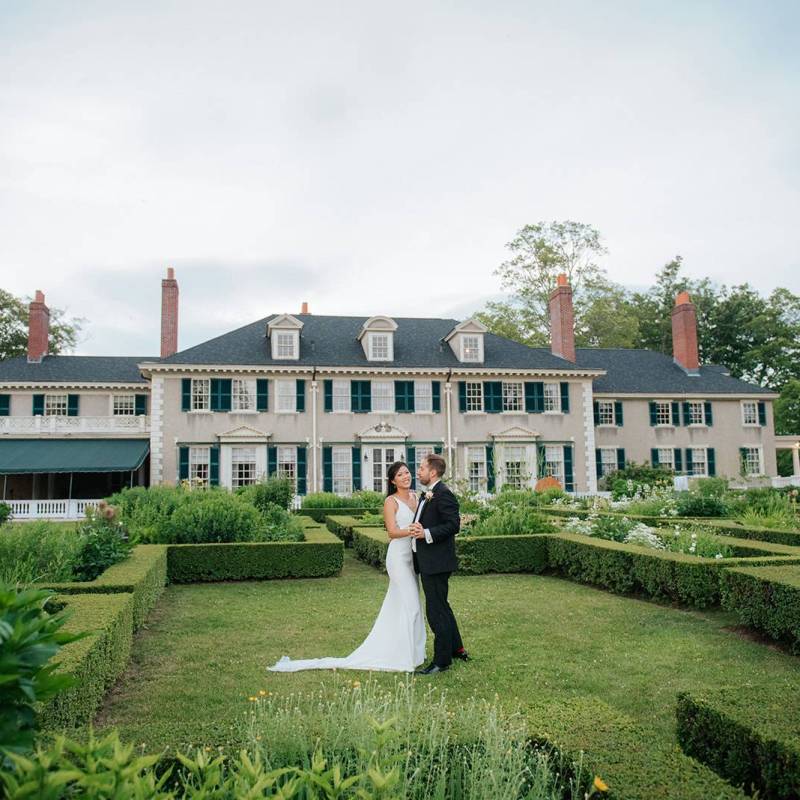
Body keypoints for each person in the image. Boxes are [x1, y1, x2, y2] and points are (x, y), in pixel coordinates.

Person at [267, 461, 426, 672]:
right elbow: (392, 532)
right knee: (412, 605)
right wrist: (412, 530)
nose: (406, 476)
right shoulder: (391, 501)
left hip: (413, 558)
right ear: (393, 481)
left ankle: (414, 653)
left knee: (404, 605)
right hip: (398, 559)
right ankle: (403, 657)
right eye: (400, 474)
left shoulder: (416, 497)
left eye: (407, 472)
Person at [408, 453, 468, 674]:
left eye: (422, 468)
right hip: (429, 560)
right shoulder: (428, 494)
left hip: (437, 562)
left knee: (436, 611)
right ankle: (457, 648)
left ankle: (441, 661)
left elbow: (453, 525)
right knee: (443, 606)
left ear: (432, 472)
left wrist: (426, 533)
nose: (419, 471)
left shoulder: (443, 494)